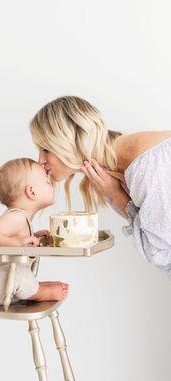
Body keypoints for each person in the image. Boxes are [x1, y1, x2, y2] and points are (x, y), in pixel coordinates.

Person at [30, 96, 171, 278]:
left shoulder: (143, 164)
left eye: (46, 149)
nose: (40, 161)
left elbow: (160, 252)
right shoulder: (119, 169)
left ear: (68, 141)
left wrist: (117, 197)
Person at [0, 157, 69, 306]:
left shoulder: (19, 219)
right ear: (32, 192)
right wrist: (18, 243)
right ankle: (38, 292)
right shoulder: (16, 217)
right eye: (47, 181)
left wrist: (33, 237)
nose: (51, 184)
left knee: (18, 272)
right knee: (19, 274)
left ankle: (32, 288)